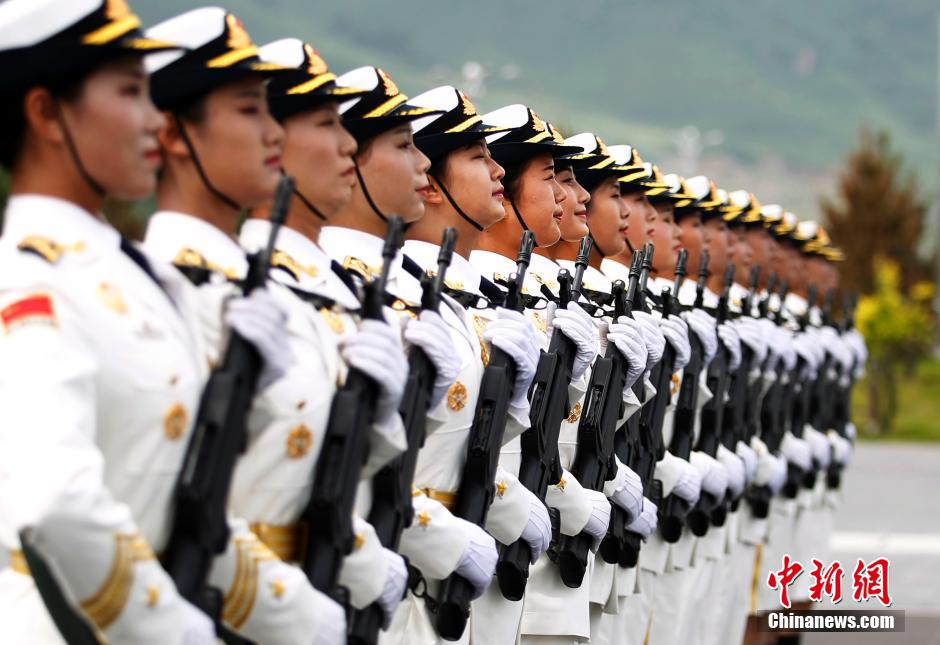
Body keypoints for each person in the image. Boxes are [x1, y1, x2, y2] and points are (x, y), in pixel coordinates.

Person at [0, 1, 217, 642]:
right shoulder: (31, 277)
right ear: (45, 113)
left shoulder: (135, 272)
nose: (155, 120)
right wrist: (171, 629)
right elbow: (57, 501)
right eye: (129, 91)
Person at [318, 65, 500, 645]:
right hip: (372, 573)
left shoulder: (418, 294)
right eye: (404, 146)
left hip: (435, 570)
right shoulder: (341, 290)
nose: (420, 162)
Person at [406, 84, 552, 645]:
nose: (576, 196)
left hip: (469, 557)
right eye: (476, 156)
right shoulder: (409, 300)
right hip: (420, 566)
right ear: (432, 182)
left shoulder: (459, 297)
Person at [470, 105, 610, 645]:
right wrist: (568, 497)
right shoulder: (480, 303)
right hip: (497, 545)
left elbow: (573, 425)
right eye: (554, 178)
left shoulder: (547, 300)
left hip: (554, 546)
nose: (572, 199)